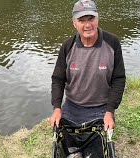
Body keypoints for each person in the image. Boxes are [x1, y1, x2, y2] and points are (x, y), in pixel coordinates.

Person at [49, 0, 126, 131]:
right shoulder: (67, 46)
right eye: (81, 20)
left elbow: (119, 79)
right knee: (64, 138)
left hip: (102, 107)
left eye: (91, 19)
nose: (87, 25)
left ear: (98, 18)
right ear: (74, 23)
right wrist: (57, 108)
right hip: (73, 106)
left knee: (100, 144)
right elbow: (58, 79)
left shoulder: (113, 42)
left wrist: (110, 111)